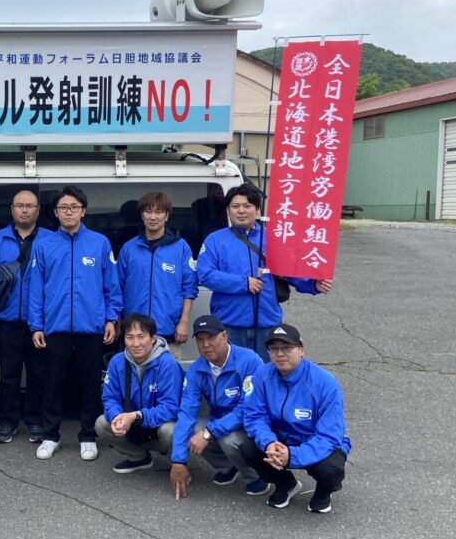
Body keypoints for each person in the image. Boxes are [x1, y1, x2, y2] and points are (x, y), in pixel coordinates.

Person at [29, 185, 122, 461]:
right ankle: (51, 435)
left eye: (74, 207)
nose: (68, 212)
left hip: (90, 326)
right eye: (63, 208)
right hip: (55, 326)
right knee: (52, 383)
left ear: (83, 211)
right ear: (56, 213)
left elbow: (111, 285)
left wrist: (111, 318)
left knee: (90, 383)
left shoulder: (99, 243)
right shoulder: (44, 244)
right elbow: (35, 289)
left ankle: (88, 436)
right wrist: (36, 325)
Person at [196, 183, 332, 362]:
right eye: (235, 206)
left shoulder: (273, 237)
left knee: (268, 373)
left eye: (247, 206)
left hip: (267, 323)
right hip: (229, 325)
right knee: (233, 373)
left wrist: (313, 284)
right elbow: (205, 274)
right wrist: (244, 283)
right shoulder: (215, 240)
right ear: (228, 210)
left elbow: (290, 270)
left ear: (257, 209)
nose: (241, 211)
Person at [241, 323, 351, 513]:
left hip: (316, 441)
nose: (280, 354)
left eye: (287, 348)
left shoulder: (325, 383)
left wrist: (292, 456)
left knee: (330, 468)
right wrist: (269, 443)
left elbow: (330, 436)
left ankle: (324, 492)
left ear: (301, 350)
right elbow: (255, 416)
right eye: (274, 348)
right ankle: (286, 484)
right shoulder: (261, 375)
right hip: (281, 439)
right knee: (248, 447)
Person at [169, 315, 269, 499]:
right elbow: (186, 413)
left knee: (228, 439)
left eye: (211, 337)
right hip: (220, 420)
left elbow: (247, 409)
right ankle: (228, 466)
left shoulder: (249, 361)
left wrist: (210, 432)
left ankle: (256, 476)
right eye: (200, 339)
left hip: (250, 423)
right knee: (193, 429)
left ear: (224, 336)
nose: (206, 344)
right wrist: (178, 460)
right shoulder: (196, 369)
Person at [0, 189, 52, 444]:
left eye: (30, 206)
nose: (24, 210)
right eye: (20, 205)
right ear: (12, 209)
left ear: (38, 210)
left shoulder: (50, 239)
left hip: (40, 323)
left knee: (38, 374)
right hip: (7, 321)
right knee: (8, 375)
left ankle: (35, 421)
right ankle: (8, 421)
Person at [95, 313, 183, 474]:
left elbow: (171, 407)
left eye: (141, 337)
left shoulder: (168, 363)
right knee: (102, 423)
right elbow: (110, 398)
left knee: (170, 431)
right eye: (130, 337)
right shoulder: (117, 362)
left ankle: (179, 462)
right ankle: (139, 457)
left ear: (153, 338)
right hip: (133, 423)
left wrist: (137, 416)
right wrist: (117, 417)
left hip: (159, 424)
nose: (135, 344)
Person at [117, 190, 197, 352]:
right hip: (134, 333)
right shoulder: (129, 248)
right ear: (142, 215)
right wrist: (118, 321)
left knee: (168, 368)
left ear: (167, 216)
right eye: (148, 211)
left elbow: (189, 288)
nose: (153, 217)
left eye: (159, 212)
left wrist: (184, 322)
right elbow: (117, 287)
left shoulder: (181, 248)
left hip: (168, 330)